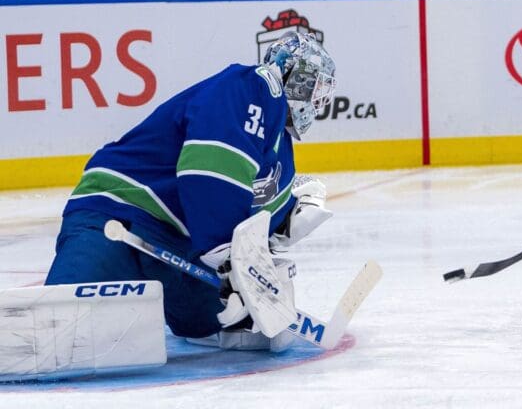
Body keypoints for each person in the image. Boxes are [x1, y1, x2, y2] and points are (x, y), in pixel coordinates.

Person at [45, 31, 337, 351]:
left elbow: (253, 216)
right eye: (316, 87)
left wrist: (285, 221)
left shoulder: (281, 150)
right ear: (299, 78)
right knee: (57, 328)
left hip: (180, 248)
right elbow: (209, 171)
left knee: (215, 318)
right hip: (120, 212)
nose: (318, 101)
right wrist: (230, 260)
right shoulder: (256, 86)